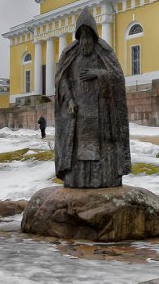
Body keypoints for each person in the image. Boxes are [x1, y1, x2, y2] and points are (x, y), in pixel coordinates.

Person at [54, 10, 131, 188]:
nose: (85, 41)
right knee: (80, 148)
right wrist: (70, 101)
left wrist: (97, 73)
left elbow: (116, 77)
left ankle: (103, 179)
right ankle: (77, 180)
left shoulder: (103, 51)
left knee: (100, 148)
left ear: (94, 36)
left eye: (89, 36)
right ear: (78, 36)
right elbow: (61, 79)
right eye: (82, 36)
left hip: (100, 111)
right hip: (79, 112)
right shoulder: (70, 53)